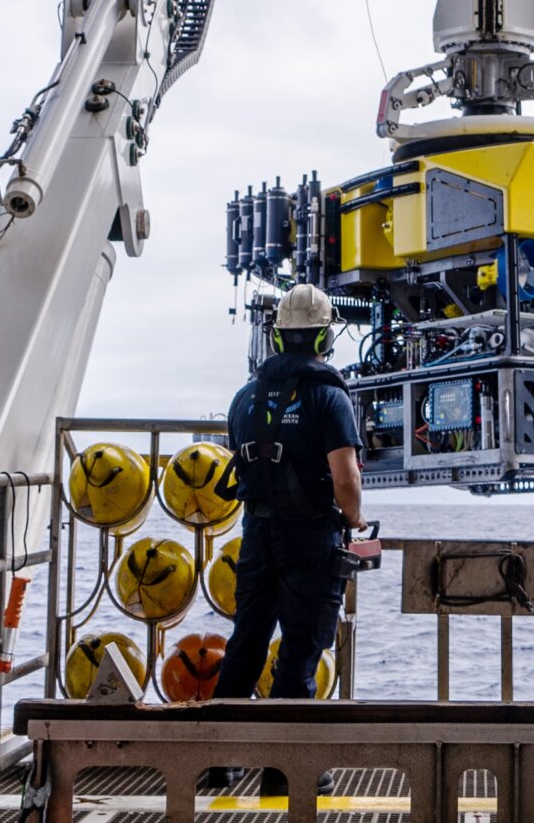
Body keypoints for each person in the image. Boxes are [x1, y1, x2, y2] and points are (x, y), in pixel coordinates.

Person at [209, 284, 366, 794]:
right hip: (309, 539)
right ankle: (282, 772)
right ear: (325, 335)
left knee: (247, 643)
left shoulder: (243, 397)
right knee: (298, 651)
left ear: (278, 336)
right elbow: (345, 476)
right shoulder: (329, 396)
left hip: (256, 535)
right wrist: (356, 519)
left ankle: (219, 761)